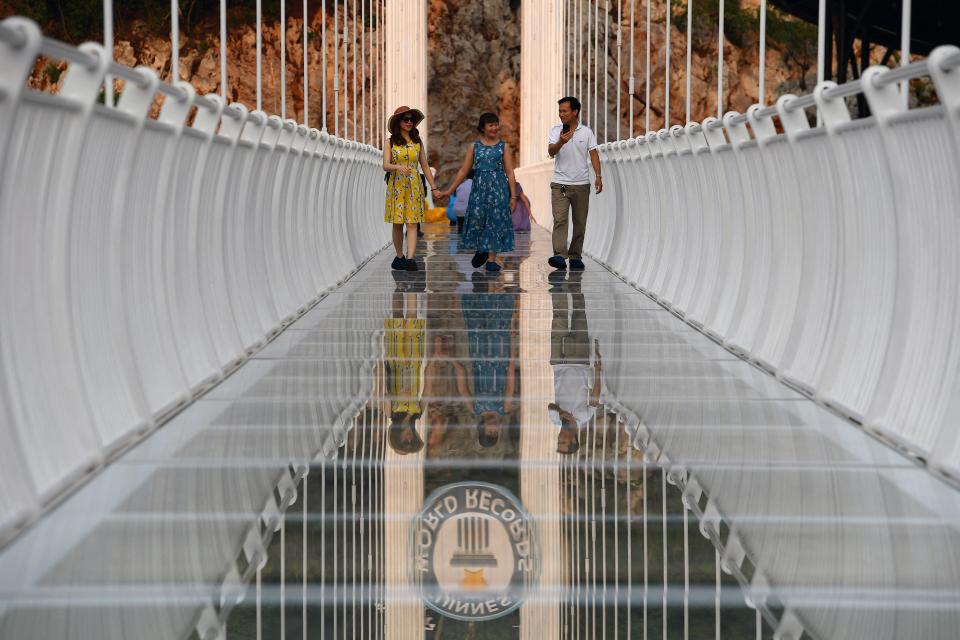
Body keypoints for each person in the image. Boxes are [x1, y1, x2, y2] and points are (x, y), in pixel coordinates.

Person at [439, 113, 518, 272]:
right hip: (479, 189)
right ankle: (482, 249)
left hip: (498, 189)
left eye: (496, 124)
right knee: (479, 219)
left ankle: (491, 260)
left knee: (495, 221)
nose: (494, 128)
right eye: (491, 125)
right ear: (483, 127)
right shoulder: (474, 146)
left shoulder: (504, 146)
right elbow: (463, 171)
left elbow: (510, 172)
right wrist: (449, 190)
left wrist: (513, 196)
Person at [547, 272, 604, 454]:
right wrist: (598, 369)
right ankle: (575, 283)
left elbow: (550, 406)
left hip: (558, 362)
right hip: (580, 361)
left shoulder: (555, 419)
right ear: (573, 441)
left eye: (558, 443)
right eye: (563, 443)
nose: (560, 440)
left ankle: (557, 286)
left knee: (559, 318)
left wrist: (561, 413)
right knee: (580, 315)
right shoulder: (584, 417)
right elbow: (595, 396)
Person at [547, 96, 602, 271]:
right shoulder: (556, 131)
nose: (561, 114)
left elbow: (593, 154)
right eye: (560, 111)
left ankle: (575, 256)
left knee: (579, 222)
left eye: (564, 111)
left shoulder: (587, 133)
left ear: (574, 112)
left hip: (581, 185)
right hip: (560, 184)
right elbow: (551, 151)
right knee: (560, 220)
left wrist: (598, 176)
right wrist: (560, 142)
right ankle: (559, 256)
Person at [384, 106, 440, 271]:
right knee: (397, 223)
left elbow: (425, 166)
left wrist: (434, 187)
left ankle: (410, 258)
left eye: (411, 119)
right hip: (397, 186)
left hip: (414, 186)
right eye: (405, 119)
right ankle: (399, 255)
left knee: (412, 223)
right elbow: (385, 166)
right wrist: (397, 167)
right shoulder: (390, 142)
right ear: (398, 123)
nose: (409, 122)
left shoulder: (417, 142)